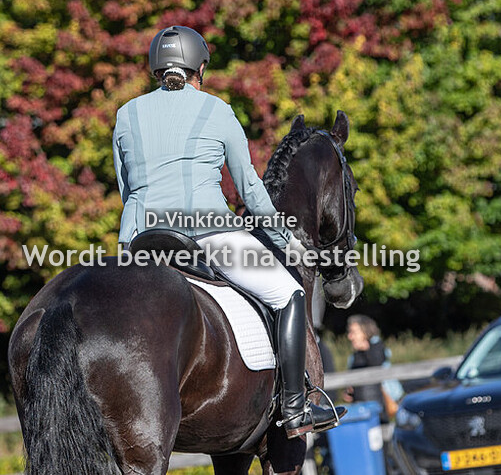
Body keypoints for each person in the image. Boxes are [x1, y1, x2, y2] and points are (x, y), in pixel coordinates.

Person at [113, 25, 344, 438]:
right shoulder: (216, 110)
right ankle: (295, 408)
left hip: (142, 241)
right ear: (200, 67)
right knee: (288, 293)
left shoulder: (125, 115)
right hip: (209, 234)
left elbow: (126, 188)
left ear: (156, 68)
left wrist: (125, 245)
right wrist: (284, 240)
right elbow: (251, 192)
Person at [343, 315, 396, 422]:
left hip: (379, 409)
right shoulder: (355, 356)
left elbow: (377, 363)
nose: (350, 336)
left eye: (354, 332)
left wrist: (365, 347)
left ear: (365, 331)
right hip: (361, 408)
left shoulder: (377, 347)